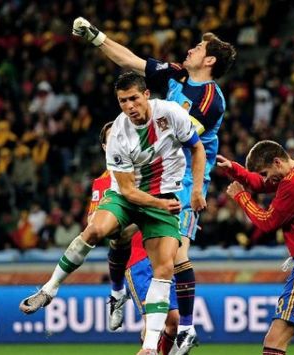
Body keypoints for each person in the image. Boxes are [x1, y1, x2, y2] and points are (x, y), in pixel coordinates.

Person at [72, 17, 236, 352]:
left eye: (199, 48)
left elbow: (181, 138)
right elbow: (130, 61)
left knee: (177, 254)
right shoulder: (176, 74)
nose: (190, 49)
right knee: (116, 230)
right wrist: (96, 37)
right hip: (156, 175)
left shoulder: (209, 99)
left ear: (210, 61)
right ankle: (118, 293)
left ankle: (186, 328)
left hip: (185, 180)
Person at [20, 72, 206, 355]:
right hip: (131, 197)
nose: (129, 106)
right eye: (122, 101)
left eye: (133, 98)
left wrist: (195, 192)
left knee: (165, 268)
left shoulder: (171, 114)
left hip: (164, 194)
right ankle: (50, 288)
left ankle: (149, 347)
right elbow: (129, 192)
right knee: (95, 229)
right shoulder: (118, 133)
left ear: (146, 95)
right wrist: (159, 206)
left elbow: (197, 147)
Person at [216, 140, 294, 355]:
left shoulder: (293, 185)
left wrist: (241, 196)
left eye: (265, 172)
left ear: (276, 161)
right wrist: (234, 170)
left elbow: (267, 222)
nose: (266, 179)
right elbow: (262, 184)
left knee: (274, 340)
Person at [91, 121, 181, 353]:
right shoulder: (102, 183)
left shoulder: (146, 171)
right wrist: (144, 216)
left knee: (173, 323)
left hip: (163, 256)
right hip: (138, 260)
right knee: (154, 324)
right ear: (104, 147)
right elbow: (97, 226)